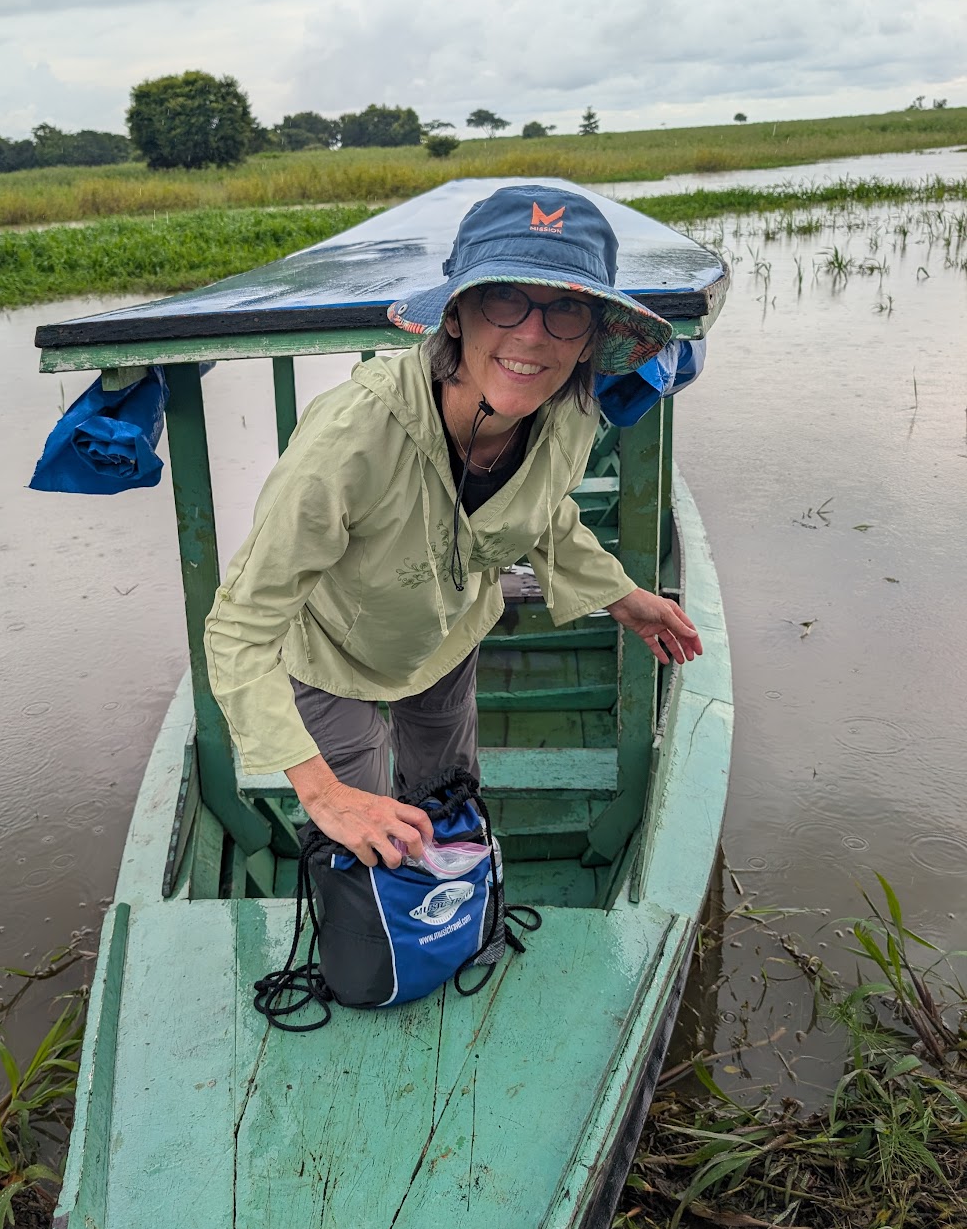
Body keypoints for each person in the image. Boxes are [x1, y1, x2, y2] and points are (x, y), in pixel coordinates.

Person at [204, 184, 702, 871]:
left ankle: (458, 904)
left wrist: (625, 597)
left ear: (591, 336)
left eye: (566, 308)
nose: (531, 334)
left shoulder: (570, 413)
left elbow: (543, 512)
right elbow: (239, 628)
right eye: (505, 299)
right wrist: (324, 794)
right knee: (362, 837)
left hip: (448, 634)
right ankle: (379, 945)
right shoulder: (350, 438)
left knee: (447, 797)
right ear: (458, 316)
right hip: (330, 652)